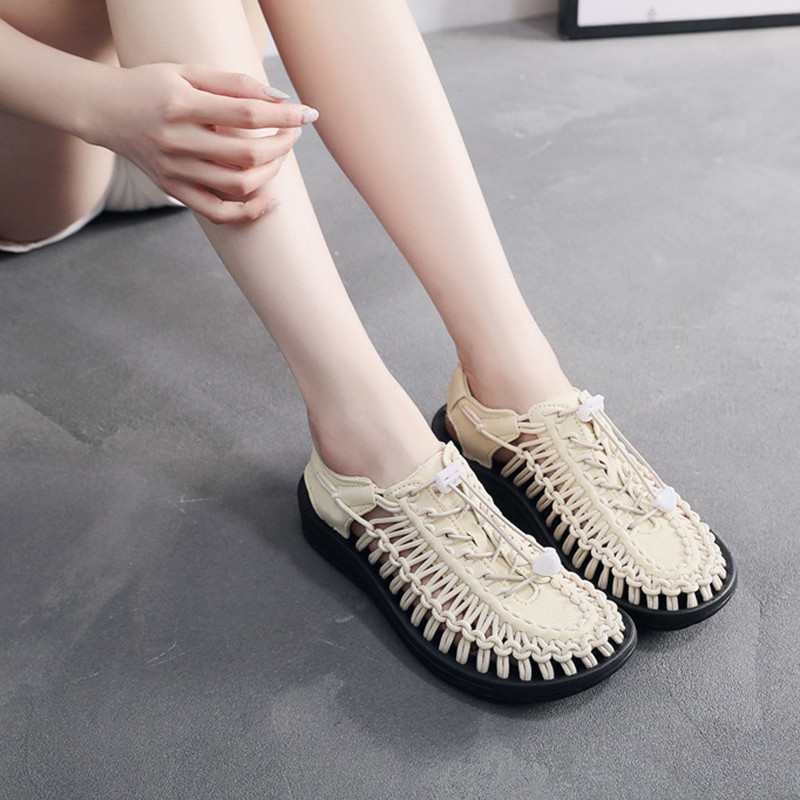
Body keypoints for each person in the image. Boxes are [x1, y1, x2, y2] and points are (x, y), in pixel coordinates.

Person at [0, 0, 735, 701]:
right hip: (53, 123)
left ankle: (513, 375)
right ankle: (362, 433)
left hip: (196, 79)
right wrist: (99, 102)